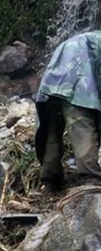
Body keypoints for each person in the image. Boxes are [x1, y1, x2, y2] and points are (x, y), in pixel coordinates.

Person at [35, 30, 101, 193]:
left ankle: (50, 180)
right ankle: (90, 177)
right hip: (79, 73)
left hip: (54, 76)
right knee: (81, 123)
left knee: (51, 128)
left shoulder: (93, 38)